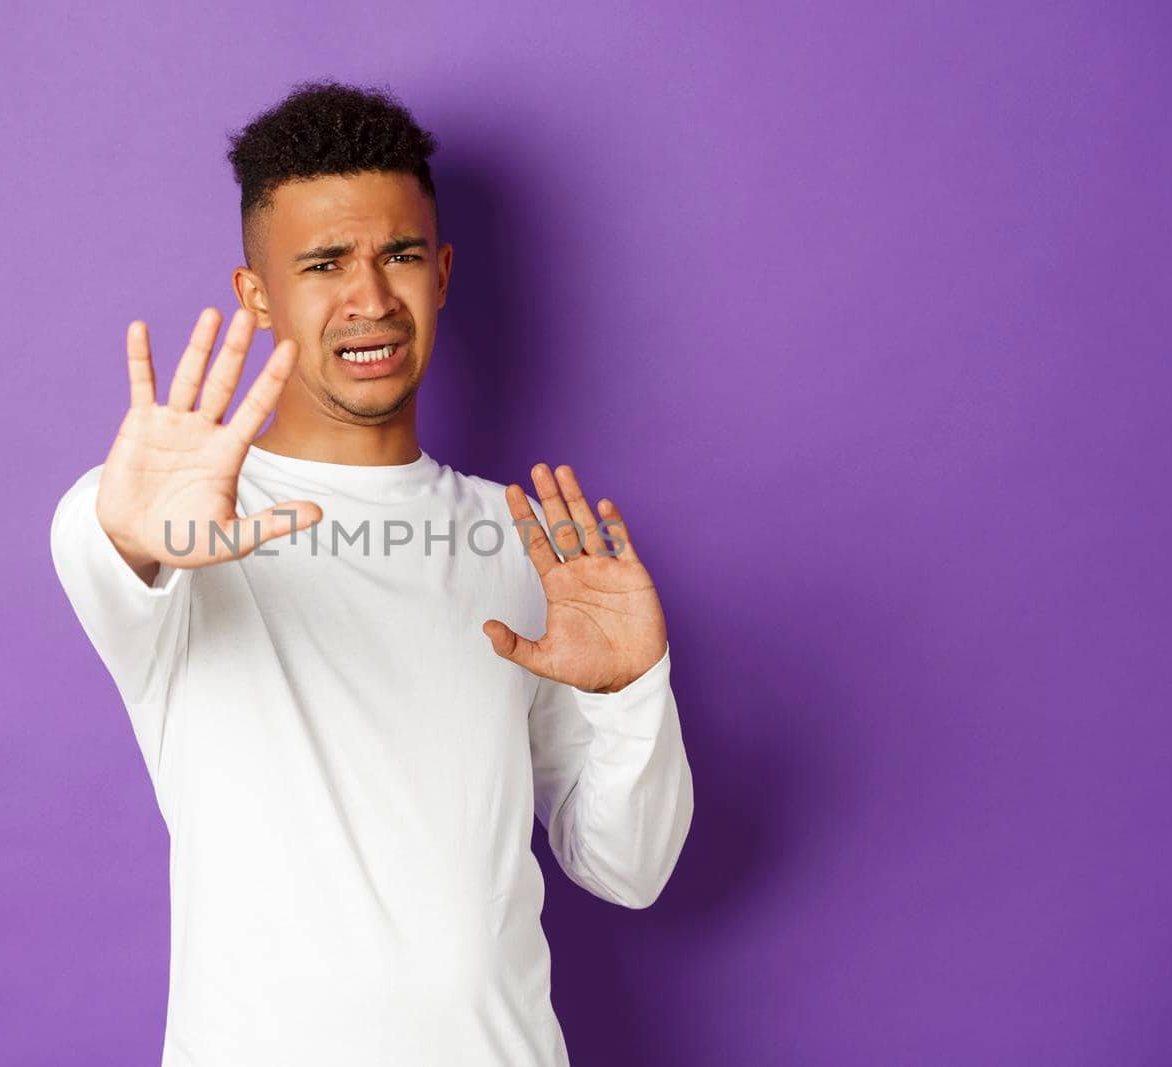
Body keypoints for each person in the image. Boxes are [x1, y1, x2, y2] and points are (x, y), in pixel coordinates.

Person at [49, 78, 694, 1067]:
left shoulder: (526, 540)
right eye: (322, 263)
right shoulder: (174, 528)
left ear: (439, 272)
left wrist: (628, 693)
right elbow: (110, 552)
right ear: (256, 293)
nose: (370, 298)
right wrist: (132, 533)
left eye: (397, 255)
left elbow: (627, 868)